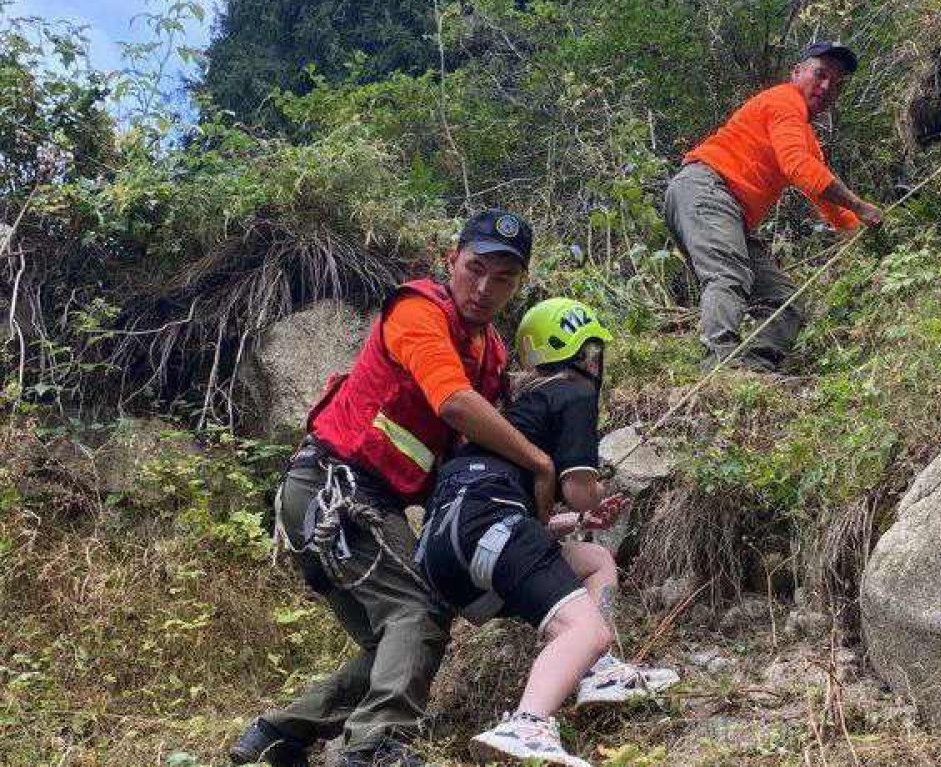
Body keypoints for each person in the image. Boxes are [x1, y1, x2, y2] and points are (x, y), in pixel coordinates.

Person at [230, 209, 555, 767]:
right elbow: (451, 402)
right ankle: (374, 746)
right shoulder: (417, 311)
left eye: (503, 278)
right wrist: (542, 464)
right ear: (451, 260)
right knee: (416, 611)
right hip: (333, 490)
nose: (483, 288)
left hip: (370, 501)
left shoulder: (491, 352)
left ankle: (278, 737)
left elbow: (470, 450)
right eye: (475, 268)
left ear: (518, 283)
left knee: (394, 639)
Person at [417, 297, 678, 767]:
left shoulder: (521, 410)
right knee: (585, 626)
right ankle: (529, 722)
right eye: (594, 351)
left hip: (449, 545)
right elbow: (579, 489)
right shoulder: (574, 393)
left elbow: (527, 526)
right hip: (491, 522)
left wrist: (578, 523)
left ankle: (598, 669)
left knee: (595, 560)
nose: (597, 361)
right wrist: (592, 499)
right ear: (583, 352)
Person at [665, 41, 885, 373]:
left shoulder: (804, 134)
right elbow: (797, 166)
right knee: (728, 274)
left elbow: (818, 188)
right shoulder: (784, 101)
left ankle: (753, 373)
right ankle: (718, 370)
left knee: (786, 302)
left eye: (836, 84)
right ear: (797, 72)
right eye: (820, 74)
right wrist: (860, 206)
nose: (826, 87)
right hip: (706, 189)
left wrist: (856, 229)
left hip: (728, 210)